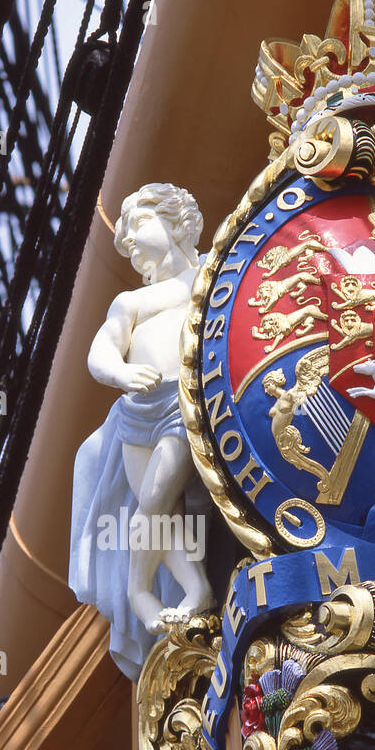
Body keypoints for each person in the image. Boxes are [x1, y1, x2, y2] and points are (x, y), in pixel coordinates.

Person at [69, 183, 214, 680]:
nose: (128, 239)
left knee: (154, 499)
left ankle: (152, 589)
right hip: (137, 410)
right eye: (124, 232)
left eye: (138, 224)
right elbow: (101, 352)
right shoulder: (130, 301)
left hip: (184, 403)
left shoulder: (209, 275)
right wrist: (121, 374)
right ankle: (178, 586)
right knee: (160, 514)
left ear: (176, 223)